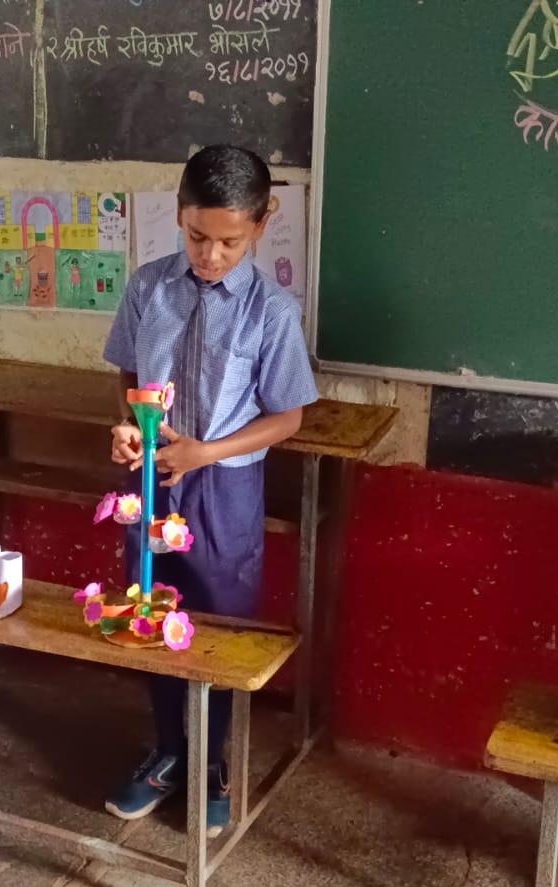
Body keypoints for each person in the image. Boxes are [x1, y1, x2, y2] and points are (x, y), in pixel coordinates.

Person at [102, 144, 319, 836]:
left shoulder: (271, 311)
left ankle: (213, 760)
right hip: (151, 482)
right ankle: (168, 752)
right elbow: (129, 375)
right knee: (149, 613)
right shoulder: (148, 288)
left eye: (229, 241)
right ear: (179, 215)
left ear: (262, 223)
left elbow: (287, 417)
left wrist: (206, 452)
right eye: (197, 236)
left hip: (223, 490)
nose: (210, 254)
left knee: (218, 627)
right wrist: (130, 429)